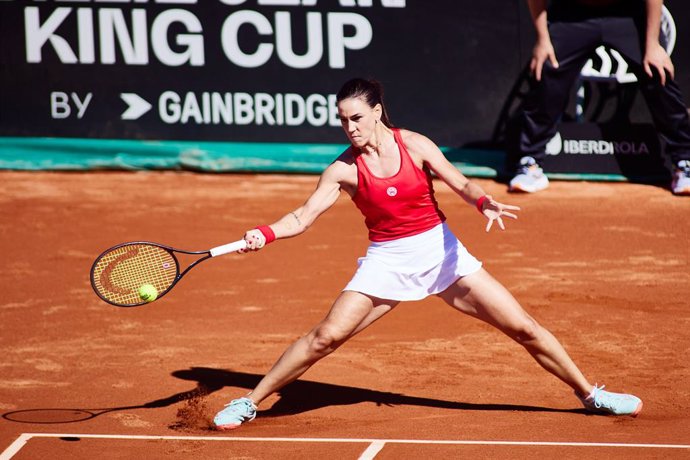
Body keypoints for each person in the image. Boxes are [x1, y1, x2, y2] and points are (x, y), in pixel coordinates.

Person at [213, 78, 642, 430]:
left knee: (524, 327)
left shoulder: (415, 145)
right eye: (343, 120)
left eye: (357, 117)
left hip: (442, 254)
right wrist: (264, 234)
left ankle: (591, 395)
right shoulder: (342, 170)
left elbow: (461, 183)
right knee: (325, 337)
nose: (350, 127)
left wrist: (483, 203)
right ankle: (251, 401)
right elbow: (302, 217)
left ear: (378, 111)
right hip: (387, 260)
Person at [509, 0, 690, 195]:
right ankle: (530, 163)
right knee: (546, 70)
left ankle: (684, 160)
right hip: (572, 14)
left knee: (657, 71)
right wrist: (542, 39)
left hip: (628, 14)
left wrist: (653, 44)